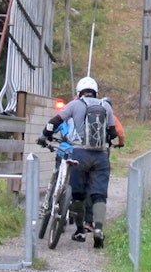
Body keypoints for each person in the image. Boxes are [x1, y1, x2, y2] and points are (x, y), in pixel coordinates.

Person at [38, 76, 117, 248]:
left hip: (79, 153)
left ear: (79, 91)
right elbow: (113, 133)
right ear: (96, 91)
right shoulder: (106, 106)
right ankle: (98, 229)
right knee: (98, 194)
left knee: (78, 194)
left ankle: (80, 229)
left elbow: (54, 122)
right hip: (101, 156)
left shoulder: (74, 105)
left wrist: (44, 135)